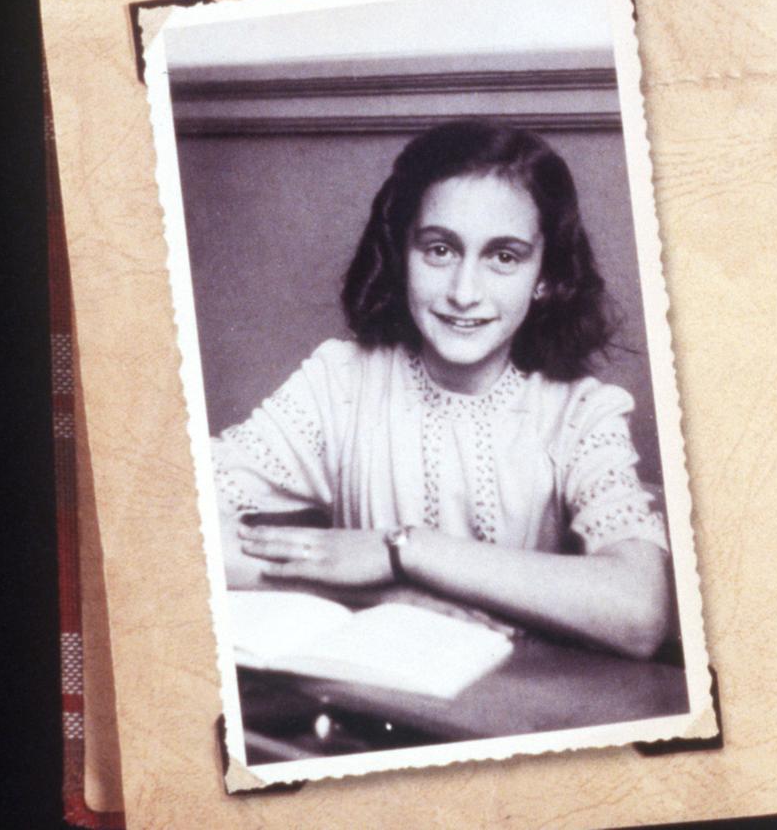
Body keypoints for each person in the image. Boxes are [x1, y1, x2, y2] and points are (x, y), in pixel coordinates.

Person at [214, 120, 672, 660]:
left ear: (546, 277)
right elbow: (175, 523)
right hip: (372, 683)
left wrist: (403, 550)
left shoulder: (580, 412)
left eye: (504, 257)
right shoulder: (341, 383)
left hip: (523, 698)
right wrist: (379, 593)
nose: (464, 292)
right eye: (439, 249)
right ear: (401, 254)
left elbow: (640, 612)